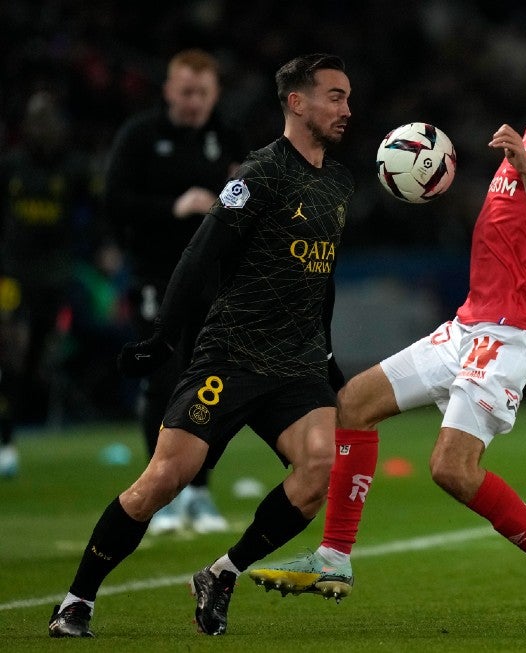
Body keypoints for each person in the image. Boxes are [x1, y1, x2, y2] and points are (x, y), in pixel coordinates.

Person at [251, 29, 526, 638]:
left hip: (512, 331)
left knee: (451, 469)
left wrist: (524, 170)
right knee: (353, 404)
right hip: (469, 323)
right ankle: (334, 558)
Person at [48, 52, 353, 638]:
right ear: (296, 102)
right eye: (335, 96)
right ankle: (77, 598)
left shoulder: (338, 182)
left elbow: (324, 276)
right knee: (165, 477)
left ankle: (223, 571)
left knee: (319, 470)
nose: (347, 109)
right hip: (232, 355)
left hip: (297, 365)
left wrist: (329, 356)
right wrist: (165, 338)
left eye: (347, 97)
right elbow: (199, 255)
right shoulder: (259, 174)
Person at [104, 48, 246, 533]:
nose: (193, 102)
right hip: (155, 277)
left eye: (203, 93)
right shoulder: (140, 136)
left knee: (208, 385)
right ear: (168, 90)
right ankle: (160, 494)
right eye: (186, 91)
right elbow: (113, 201)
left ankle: (200, 494)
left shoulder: (226, 137)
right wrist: (174, 207)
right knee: (163, 381)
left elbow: (255, 193)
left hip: (211, 279)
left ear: (215, 94)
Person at [0, 90, 100, 477]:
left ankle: (17, 430)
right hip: (12, 273)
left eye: (48, 119)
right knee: (10, 344)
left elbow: (96, 214)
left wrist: (98, 248)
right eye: (35, 119)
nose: (41, 128)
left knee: (32, 359)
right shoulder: (10, 167)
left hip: (54, 275)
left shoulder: (73, 169)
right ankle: (7, 437)